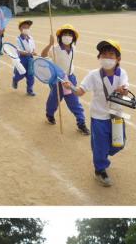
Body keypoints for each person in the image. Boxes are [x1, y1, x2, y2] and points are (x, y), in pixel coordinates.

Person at [64, 39, 128, 186]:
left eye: (111, 55)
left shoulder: (122, 73)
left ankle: (101, 153)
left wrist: (123, 90)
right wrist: (70, 87)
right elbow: (80, 92)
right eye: (104, 54)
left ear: (118, 59)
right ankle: (100, 170)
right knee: (101, 146)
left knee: (119, 144)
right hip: (99, 116)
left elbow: (125, 90)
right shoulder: (93, 75)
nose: (107, 58)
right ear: (99, 57)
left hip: (116, 114)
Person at [41, 24, 89, 134]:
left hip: (70, 78)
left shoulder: (74, 48)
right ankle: (49, 114)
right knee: (54, 100)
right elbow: (43, 55)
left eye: (70, 35)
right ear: (60, 37)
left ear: (73, 38)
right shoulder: (55, 49)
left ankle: (81, 123)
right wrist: (50, 44)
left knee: (74, 102)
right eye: (65, 34)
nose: (67, 37)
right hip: (58, 79)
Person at [12, 19, 37, 97]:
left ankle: (30, 90)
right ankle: (15, 79)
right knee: (20, 74)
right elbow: (18, 50)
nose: (26, 29)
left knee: (31, 75)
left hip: (30, 59)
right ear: (20, 29)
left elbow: (33, 48)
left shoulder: (31, 38)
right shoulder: (18, 39)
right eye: (24, 27)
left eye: (27, 27)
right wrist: (26, 53)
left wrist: (34, 52)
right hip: (22, 59)